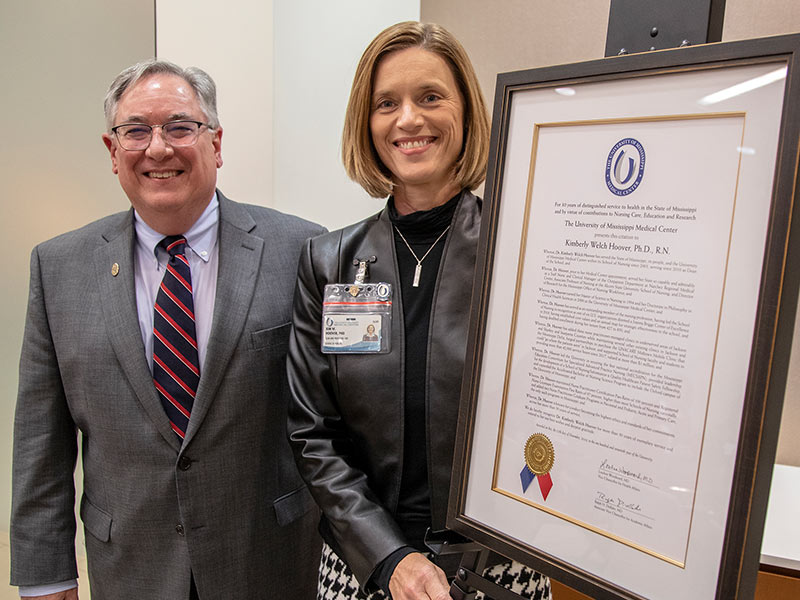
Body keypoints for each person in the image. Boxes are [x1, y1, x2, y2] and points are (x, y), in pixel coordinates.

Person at [10, 59, 324, 599]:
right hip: (132, 566)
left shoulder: (303, 251)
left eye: (180, 126)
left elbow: (336, 422)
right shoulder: (58, 268)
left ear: (216, 144)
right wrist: (47, 576)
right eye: (136, 130)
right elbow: (42, 440)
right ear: (113, 152)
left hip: (269, 562)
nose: (158, 148)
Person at [287, 21, 551, 600]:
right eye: (387, 103)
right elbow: (313, 433)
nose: (409, 119)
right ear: (367, 121)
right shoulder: (329, 262)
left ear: (466, 112)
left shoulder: (525, 250)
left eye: (430, 97)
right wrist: (390, 558)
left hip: (495, 568)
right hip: (364, 568)